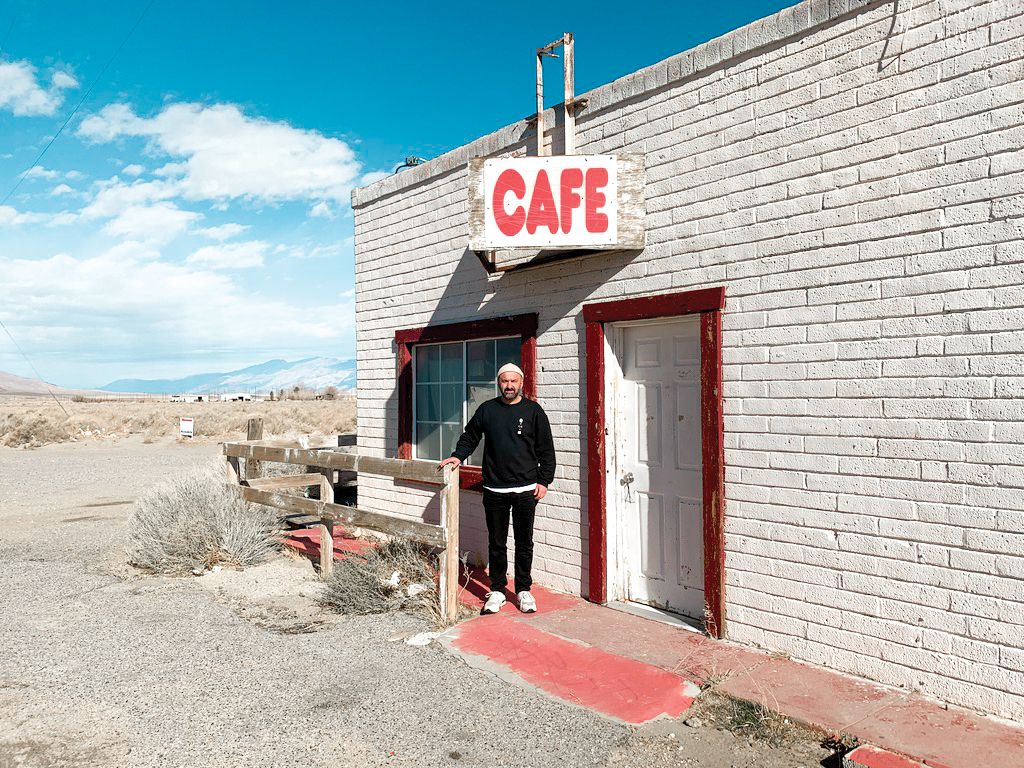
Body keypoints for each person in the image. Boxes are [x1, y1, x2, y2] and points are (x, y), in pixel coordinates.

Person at [438, 363, 555, 614]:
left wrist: (544, 481)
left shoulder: (533, 411)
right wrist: (458, 456)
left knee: (524, 542)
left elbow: (546, 449)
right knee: (497, 543)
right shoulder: (487, 410)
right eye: (504, 381)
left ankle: (523, 590)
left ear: (521, 382)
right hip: (495, 489)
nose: (509, 385)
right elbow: (471, 436)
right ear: (499, 383)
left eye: (513, 381)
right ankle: (498, 590)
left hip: (526, 489)